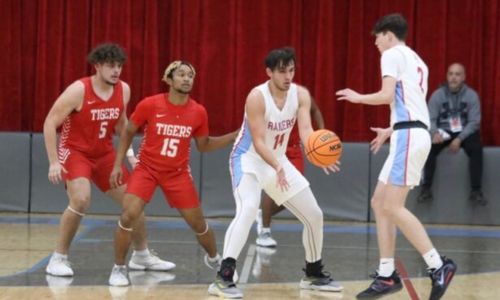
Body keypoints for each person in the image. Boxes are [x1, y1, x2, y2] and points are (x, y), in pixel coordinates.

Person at [336, 14, 457, 300]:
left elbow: (387, 94)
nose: (375, 42)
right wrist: (392, 129)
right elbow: (411, 103)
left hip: (410, 136)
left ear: (388, 35)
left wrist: (358, 97)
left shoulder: (391, 54)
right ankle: (387, 274)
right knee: (379, 203)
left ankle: (438, 266)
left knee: (392, 206)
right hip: (409, 132)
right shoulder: (418, 61)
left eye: (377, 36)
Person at [208, 47, 343, 299]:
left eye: (291, 70)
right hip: (247, 160)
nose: (288, 76)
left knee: (314, 215)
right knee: (248, 208)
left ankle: (312, 273)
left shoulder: (300, 94)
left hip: (277, 160)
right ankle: (224, 276)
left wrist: (317, 152)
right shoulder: (256, 97)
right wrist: (278, 166)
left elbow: (305, 131)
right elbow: (258, 141)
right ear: (269, 72)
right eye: (282, 71)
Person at [43, 43, 174, 278]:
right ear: (97, 66)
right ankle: (58, 258)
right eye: (111, 66)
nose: (116, 70)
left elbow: (123, 125)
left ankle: (142, 256)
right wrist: (54, 161)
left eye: (119, 66)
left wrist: (132, 156)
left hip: (103, 153)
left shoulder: (123, 89)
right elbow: (50, 122)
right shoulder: (78, 90)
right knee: (81, 199)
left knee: (134, 200)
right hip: (75, 152)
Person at [107, 60, 238, 286]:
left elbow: (204, 145)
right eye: (181, 74)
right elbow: (128, 131)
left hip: (177, 173)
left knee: (198, 223)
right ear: (169, 79)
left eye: (190, 75)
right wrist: (118, 164)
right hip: (147, 169)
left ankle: (216, 260)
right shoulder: (150, 104)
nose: (187, 78)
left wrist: (233, 136)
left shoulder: (198, 112)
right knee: (129, 214)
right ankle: (119, 268)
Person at [255, 99, 325, 248]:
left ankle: (264, 214)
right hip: (275, 148)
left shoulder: (299, 96)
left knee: (294, 192)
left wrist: (321, 132)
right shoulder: (266, 97)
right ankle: (264, 232)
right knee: (273, 187)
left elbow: (315, 110)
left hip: (294, 150)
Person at [417, 63, 485, 205]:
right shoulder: (437, 95)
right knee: (427, 146)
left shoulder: (472, 96)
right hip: (443, 131)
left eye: (457, 74)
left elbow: (474, 122)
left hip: (464, 131)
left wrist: (459, 139)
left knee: (477, 148)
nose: (453, 78)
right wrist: (434, 133)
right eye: (451, 74)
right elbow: (430, 119)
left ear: (463, 77)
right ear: (447, 76)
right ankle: (425, 189)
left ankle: (476, 191)